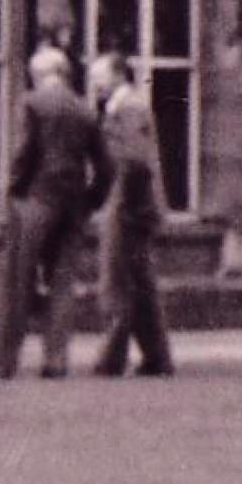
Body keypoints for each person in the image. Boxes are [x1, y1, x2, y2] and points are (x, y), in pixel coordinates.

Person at [0, 44, 111, 380]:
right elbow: (105, 165)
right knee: (62, 282)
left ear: (40, 74)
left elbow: (24, 152)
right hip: (73, 206)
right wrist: (90, 202)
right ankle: (56, 360)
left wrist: (12, 191)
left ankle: (4, 360)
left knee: (17, 281)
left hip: (35, 201)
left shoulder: (32, 103)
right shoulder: (85, 110)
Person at [89, 53, 174, 379]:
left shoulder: (130, 108)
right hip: (133, 206)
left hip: (126, 208)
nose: (95, 83)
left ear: (118, 76)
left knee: (116, 283)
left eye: (99, 76)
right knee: (141, 286)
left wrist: (118, 203)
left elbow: (135, 160)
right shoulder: (124, 108)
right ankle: (157, 357)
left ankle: (111, 359)